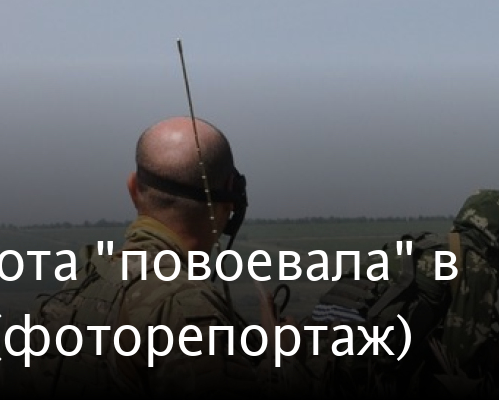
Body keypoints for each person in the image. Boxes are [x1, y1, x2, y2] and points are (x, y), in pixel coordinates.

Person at [28, 116, 305, 399]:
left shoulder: (84, 279)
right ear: (231, 199)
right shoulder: (187, 307)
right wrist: (280, 359)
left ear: (133, 189)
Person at [301, 189, 499, 398]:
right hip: (361, 367)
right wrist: (496, 361)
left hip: (316, 352)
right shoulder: (476, 266)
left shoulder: (424, 243)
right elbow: (458, 357)